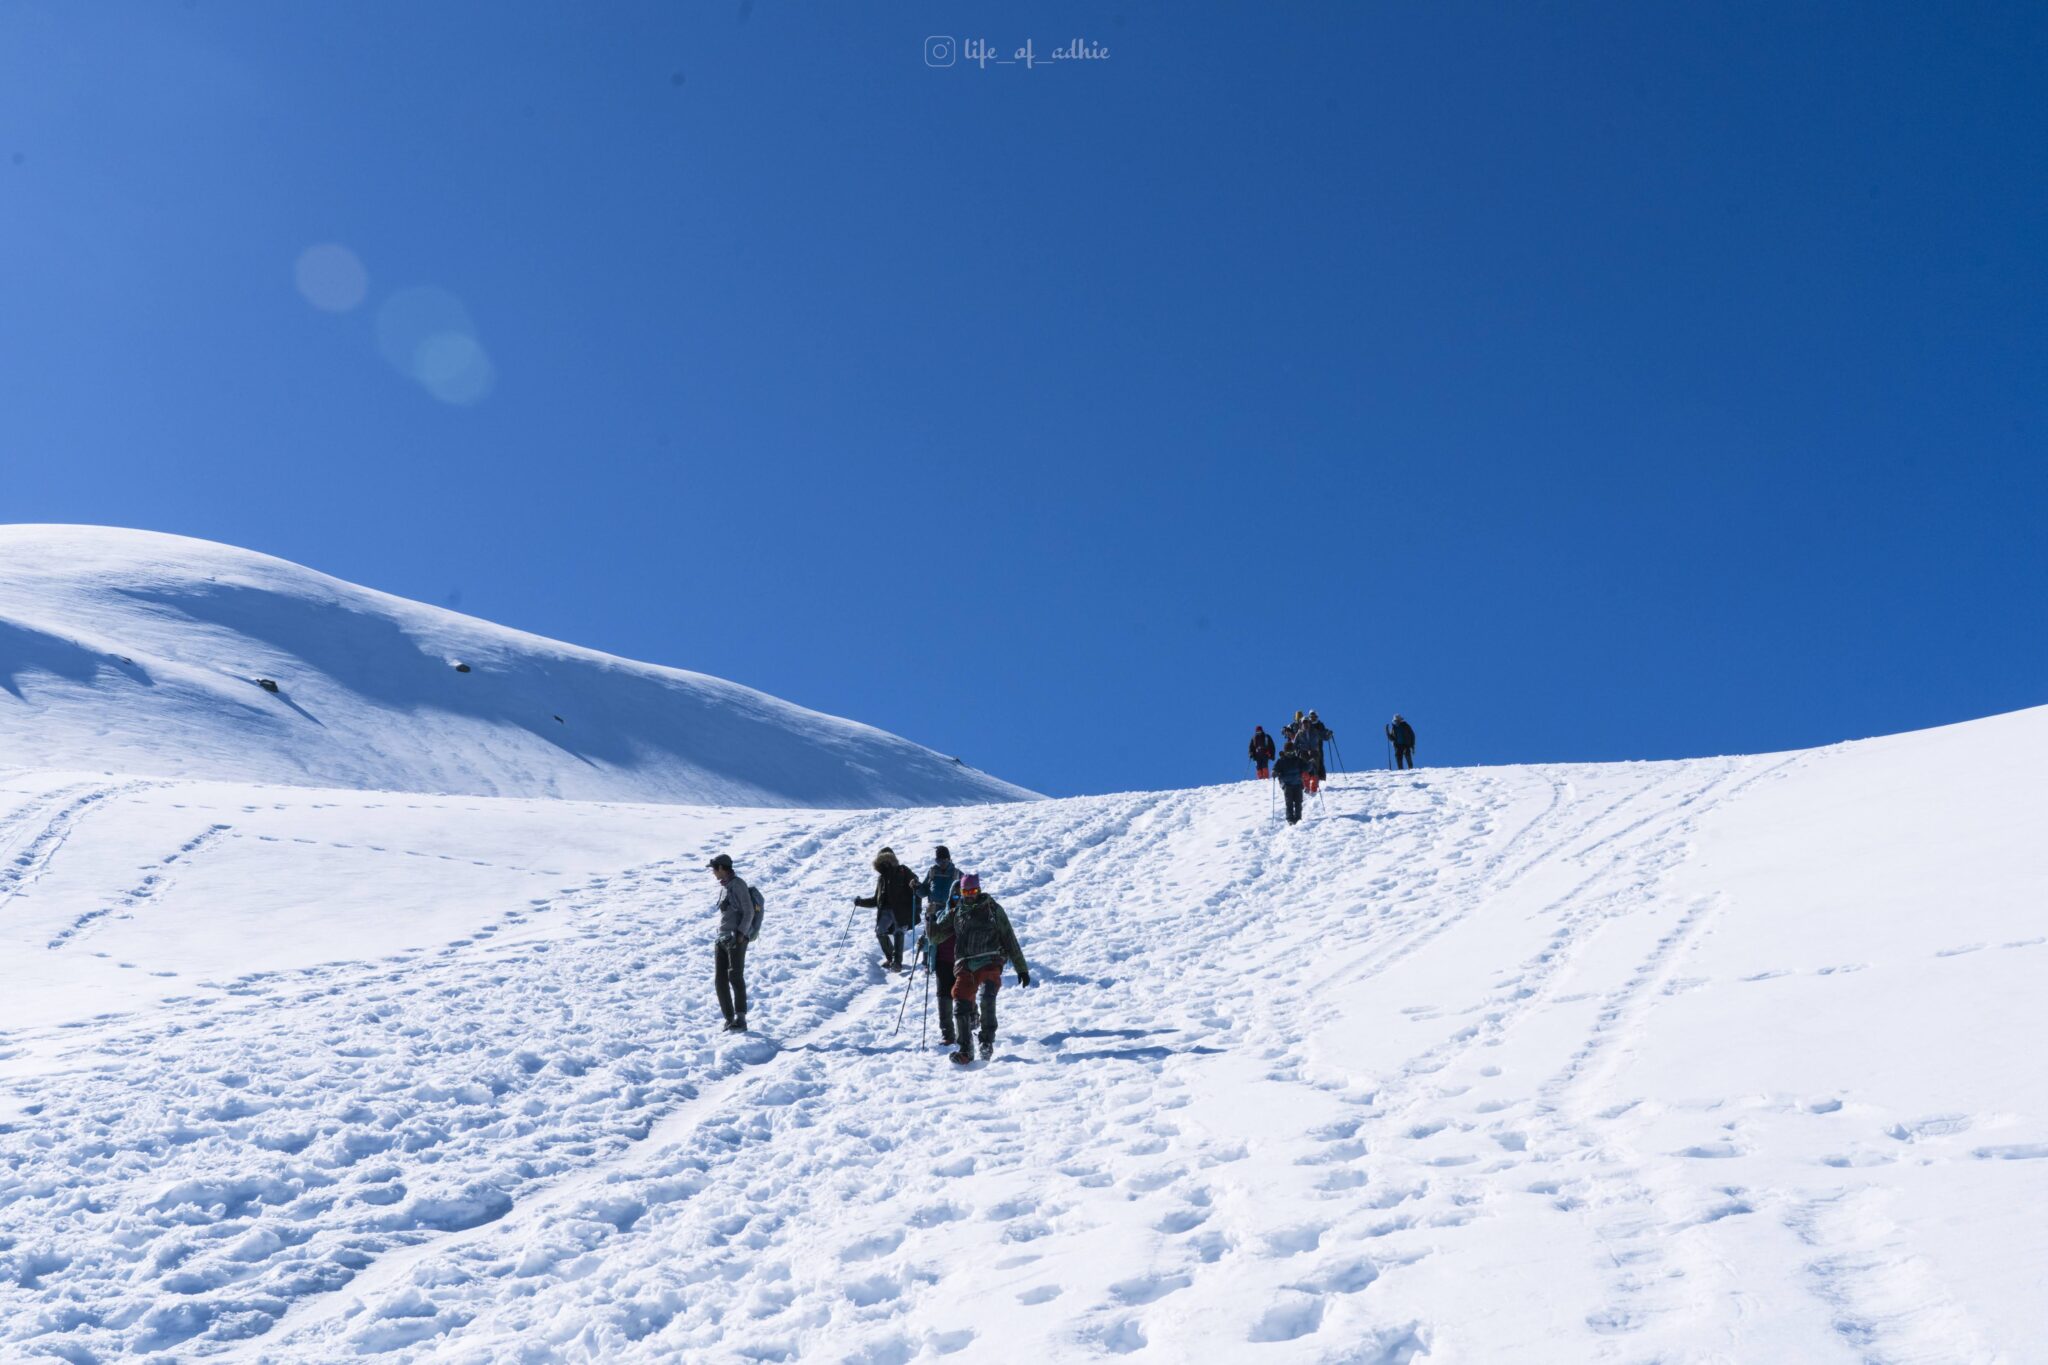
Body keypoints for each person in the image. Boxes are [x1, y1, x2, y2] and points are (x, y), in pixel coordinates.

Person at [947, 872, 1030, 1064]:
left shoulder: (992, 909)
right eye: (966, 891)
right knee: (960, 1003)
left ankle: (986, 1041)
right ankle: (966, 1051)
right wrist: (930, 924)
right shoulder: (957, 913)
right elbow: (936, 936)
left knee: (987, 996)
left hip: (991, 960)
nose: (970, 895)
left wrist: (1021, 968)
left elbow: (1008, 936)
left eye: (974, 890)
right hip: (966, 963)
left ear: (979, 890)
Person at [709, 853, 763, 1032]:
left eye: (714, 868)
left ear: (722, 868)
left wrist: (741, 934)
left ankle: (741, 1019)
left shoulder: (738, 884)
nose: (713, 872)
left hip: (735, 938)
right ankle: (729, 1019)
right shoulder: (725, 886)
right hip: (722, 938)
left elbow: (749, 911)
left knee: (735, 976)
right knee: (720, 980)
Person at [920, 846, 964, 1048]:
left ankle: (971, 1019)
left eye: (943, 860)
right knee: (943, 995)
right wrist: (916, 889)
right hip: (935, 912)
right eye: (938, 861)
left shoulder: (957, 874)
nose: (941, 864)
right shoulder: (932, 872)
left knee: (964, 994)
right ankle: (948, 1032)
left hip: (962, 959)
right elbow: (923, 890)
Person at [854, 846, 921, 971]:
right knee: (880, 931)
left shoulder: (903, 871)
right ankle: (891, 959)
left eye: (888, 861)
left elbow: (916, 885)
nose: (886, 864)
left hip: (901, 911)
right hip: (885, 911)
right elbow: (876, 899)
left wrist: (916, 904)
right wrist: (861, 902)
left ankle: (897, 963)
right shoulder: (881, 879)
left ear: (893, 860)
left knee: (899, 932)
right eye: (883, 862)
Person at [1273, 742, 1309, 824]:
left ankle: (1298, 818)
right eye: (1288, 752)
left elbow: (1305, 767)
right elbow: (1275, 768)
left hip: (1298, 784)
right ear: (1285, 752)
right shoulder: (1281, 761)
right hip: (1287, 785)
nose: (1290, 754)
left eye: (1292, 752)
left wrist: (1310, 764)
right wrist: (1274, 772)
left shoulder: (1298, 760)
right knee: (1289, 803)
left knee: (1298, 803)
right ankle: (1290, 819)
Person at [1298, 710, 1333, 793]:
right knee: (1307, 764)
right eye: (1311, 716)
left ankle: (1316, 780)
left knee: (1318, 763)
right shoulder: (1306, 724)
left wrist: (1328, 734)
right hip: (1307, 748)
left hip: (1317, 747)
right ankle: (1307, 783)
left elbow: (1323, 733)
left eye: (1314, 716)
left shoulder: (1319, 725)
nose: (1313, 718)